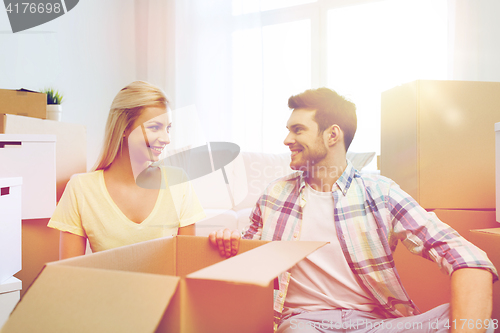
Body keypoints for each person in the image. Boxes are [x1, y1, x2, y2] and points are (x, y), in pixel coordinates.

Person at [209, 88, 498, 333]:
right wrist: (229, 242)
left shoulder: (380, 192)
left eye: (298, 130)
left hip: (374, 325)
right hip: (305, 323)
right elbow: (247, 257)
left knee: (475, 320)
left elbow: (468, 258)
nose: (287, 140)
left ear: (332, 134)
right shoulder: (274, 194)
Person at [49, 81, 206, 259]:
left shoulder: (179, 182)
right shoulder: (81, 188)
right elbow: (70, 275)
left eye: (168, 128)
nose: (166, 138)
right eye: (155, 127)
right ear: (124, 128)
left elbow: (186, 264)